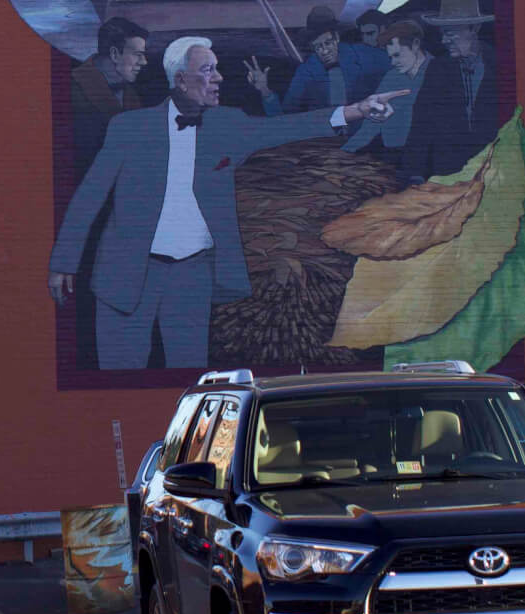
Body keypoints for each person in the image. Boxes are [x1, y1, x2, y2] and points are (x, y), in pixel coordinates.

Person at [50, 36, 406, 370]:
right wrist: (64, 262)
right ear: (180, 80)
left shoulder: (227, 125)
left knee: (189, 377)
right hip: (125, 274)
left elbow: (288, 127)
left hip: (192, 276)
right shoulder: (129, 128)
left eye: (217, 69)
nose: (219, 78)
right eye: (208, 70)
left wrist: (357, 110)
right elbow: (90, 195)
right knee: (118, 378)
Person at [344, 19, 476, 183]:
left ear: (415, 45)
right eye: (390, 57)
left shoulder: (444, 73)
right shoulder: (391, 77)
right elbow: (372, 123)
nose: (393, 62)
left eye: (397, 55)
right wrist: (347, 151)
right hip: (394, 159)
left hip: (432, 164)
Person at [242, 7, 389, 118]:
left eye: (328, 43)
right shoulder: (306, 71)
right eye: (318, 46)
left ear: (337, 38)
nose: (324, 51)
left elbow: (392, 67)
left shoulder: (361, 54)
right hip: (324, 136)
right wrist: (265, 91)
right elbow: (285, 115)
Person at [420, 0, 498, 145]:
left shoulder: (500, 64)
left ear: (475, 29)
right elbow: (421, 127)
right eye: (442, 33)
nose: (443, 40)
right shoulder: (437, 69)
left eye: (450, 33)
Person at [69, 16, 148, 172]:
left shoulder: (130, 94)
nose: (144, 62)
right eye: (137, 54)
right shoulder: (73, 94)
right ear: (114, 54)